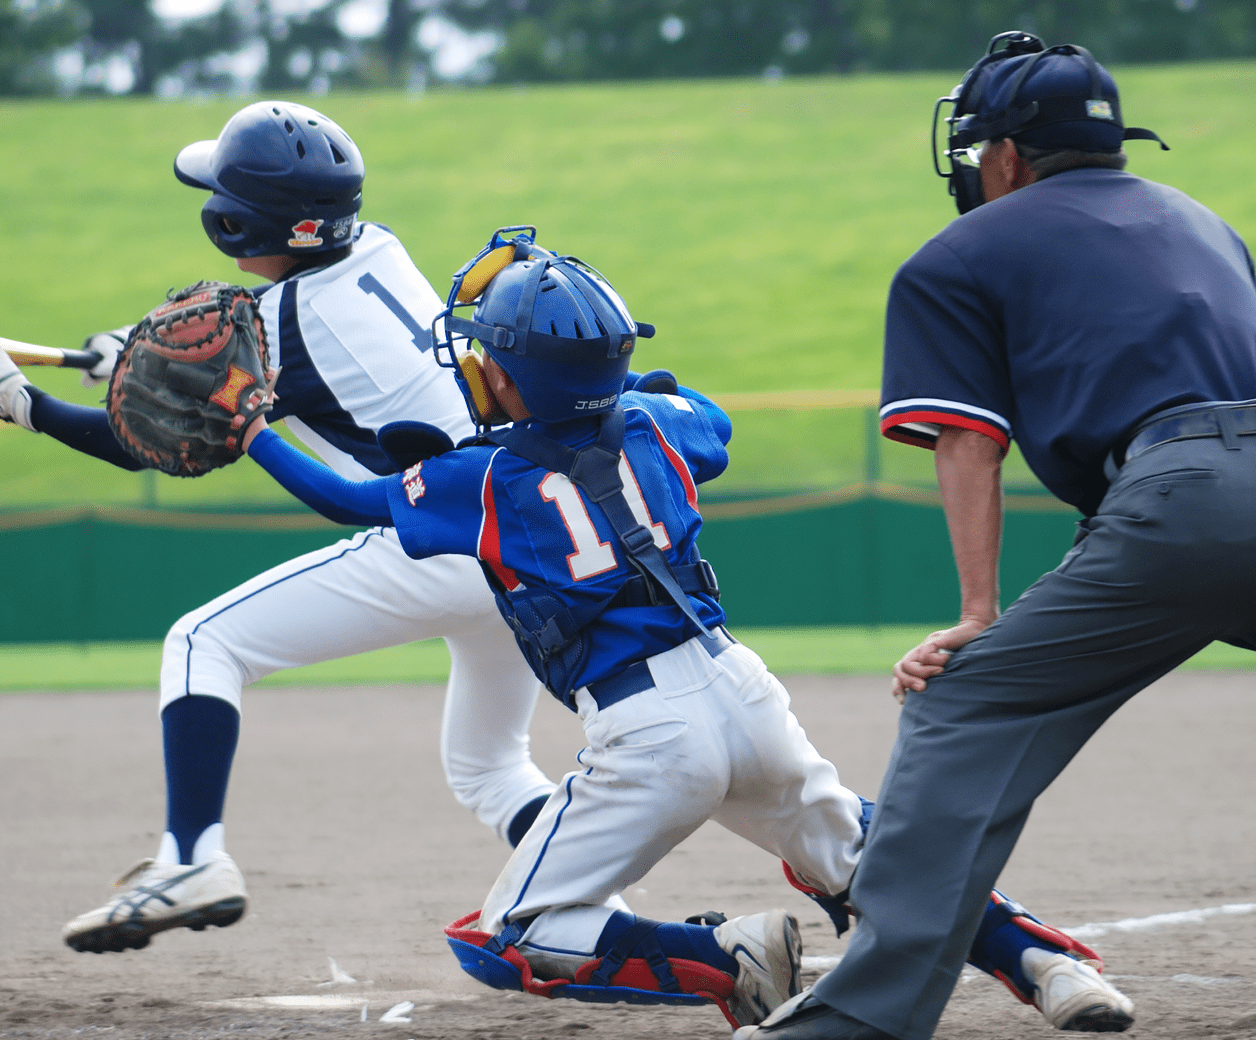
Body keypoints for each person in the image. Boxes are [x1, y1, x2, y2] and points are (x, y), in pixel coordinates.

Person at [238, 226, 1135, 1031]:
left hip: (646, 731)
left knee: (509, 941)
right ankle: (1050, 967)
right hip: (744, 694)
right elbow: (711, 417)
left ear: (511, 373)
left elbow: (344, 498)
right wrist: (611, 382)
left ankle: (726, 959)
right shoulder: (663, 422)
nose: (476, 366)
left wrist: (255, 430)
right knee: (871, 859)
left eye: (488, 355)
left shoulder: (484, 478)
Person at [737, 32, 1256, 1040]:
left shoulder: (957, 253)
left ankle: (861, 1019)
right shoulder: (1201, 220)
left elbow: (967, 441)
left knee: (964, 706)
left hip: (1188, 497)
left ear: (1005, 155)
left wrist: (976, 615)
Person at [0, 100, 558, 954]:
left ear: (232, 224)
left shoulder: (287, 327)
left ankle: (191, 856)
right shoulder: (375, 246)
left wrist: (27, 407)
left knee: (203, 644)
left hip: (430, 538)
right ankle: (588, 905)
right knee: (491, 766)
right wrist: (119, 349)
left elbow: (150, 439)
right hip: (515, 537)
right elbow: (239, 331)